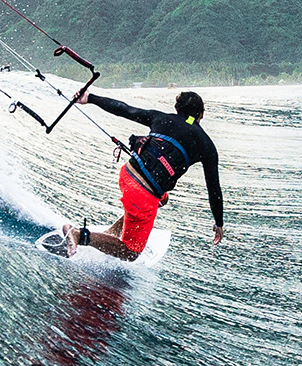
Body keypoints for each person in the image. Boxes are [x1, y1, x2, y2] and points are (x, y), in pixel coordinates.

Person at [61, 89, 224, 260]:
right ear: (201, 114)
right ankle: (79, 235)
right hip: (142, 195)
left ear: (177, 108)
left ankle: (113, 232)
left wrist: (90, 98)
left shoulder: (160, 118)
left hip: (127, 174)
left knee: (163, 198)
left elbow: (124, 109)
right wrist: (219, 223)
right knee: (130, 253)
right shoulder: (207, 146)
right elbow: (214, 189)